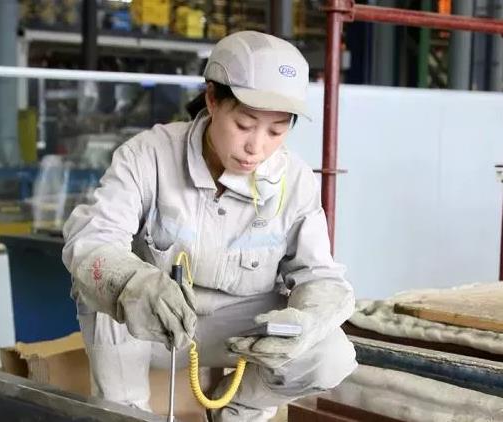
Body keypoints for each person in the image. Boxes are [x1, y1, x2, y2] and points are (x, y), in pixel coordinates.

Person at [62, 30, 357, 422]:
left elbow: (322, 277)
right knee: (98, 293)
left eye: (276, 130)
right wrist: (134, 284)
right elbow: (92, 241)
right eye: (245, 124)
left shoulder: (296, 180)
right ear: (212, 99)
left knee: (331, 355)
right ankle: (126, 412)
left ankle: (238, 410)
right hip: (152, 327)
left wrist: (305, 321)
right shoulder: (148, 156)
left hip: (240, 335)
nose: (257, 147)